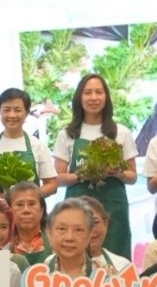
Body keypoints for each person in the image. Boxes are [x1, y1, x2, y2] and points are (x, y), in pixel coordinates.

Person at [54, 72, 139, 260]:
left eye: (99, 92)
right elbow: (58, 178)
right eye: (88, 92)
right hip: (77, 208)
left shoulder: (121, 132)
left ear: (106, 97)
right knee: (76, 260)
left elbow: (133, 176)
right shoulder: (67, 134)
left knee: (116, 261)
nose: (94, 97)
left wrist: (117, 173)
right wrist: (84, 174)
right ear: (79, 97)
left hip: (114, 208)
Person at [0, 87, 57, 193]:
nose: (12, 115)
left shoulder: (38, 146)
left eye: (17, 110)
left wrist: (29, 197)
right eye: (6, 110)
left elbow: (52, 184)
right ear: (0, 112)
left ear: (27, 113)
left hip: (29, 203)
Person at [74, 196, 131, 272]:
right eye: (81, 225)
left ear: (106, 224)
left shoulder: (123, 266)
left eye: (95, 222)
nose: (90, 230)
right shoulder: (59, 266)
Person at [7, 181, 48, 260]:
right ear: (10, 210)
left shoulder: (55, 242)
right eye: (20, 204)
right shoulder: (1, 245)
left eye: (31, 204)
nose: (26, 210)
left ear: (42, 210)